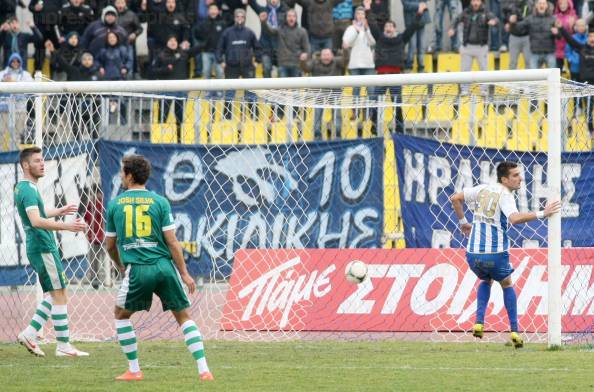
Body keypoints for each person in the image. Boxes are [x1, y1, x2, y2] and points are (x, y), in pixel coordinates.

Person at [105, 154, 213, 382]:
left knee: (121, 315)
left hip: (139, 269)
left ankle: (134, 370)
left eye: (123, 172)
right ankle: (204, 370)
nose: (121, 176)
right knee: (183, 316)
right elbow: (172, 242)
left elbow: (110, 245)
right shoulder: (160, 202)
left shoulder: (115, 204)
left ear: (130, 176)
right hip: (164, 267)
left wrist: (121, 266)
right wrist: (184, 273)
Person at [450, 161, 561, 348]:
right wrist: (543, 213)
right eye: (515, 175)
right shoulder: (506, 195)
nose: (520, 178)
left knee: (486, 280)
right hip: (495, 252)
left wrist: (463, 222)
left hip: (472, 253)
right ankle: (515, 331)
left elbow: (455, 198)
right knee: (507, 283)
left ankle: (479, 322)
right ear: (504, 179)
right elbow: (515, 218)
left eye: (520, 174)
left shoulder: (482, 189)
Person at [15, 146, 89, 357]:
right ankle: (63, 346)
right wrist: (68, 226)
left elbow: (38, 212)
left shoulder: (25, 187)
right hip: (42, 246)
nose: (42, 163)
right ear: (26, 165)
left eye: (42, 160)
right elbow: (36, 221)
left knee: (55, 293)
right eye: (37, 160)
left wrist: (60, 211)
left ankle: (29, 333)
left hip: (41, 246)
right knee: (60, 293)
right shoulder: (28, 189)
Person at [216, 8, 261, 119]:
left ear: (244, 18)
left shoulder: (249, 32)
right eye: (237, 16)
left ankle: (253, 115)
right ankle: (227, 115)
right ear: (234, 18)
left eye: (242, 17)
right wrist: (220, 61)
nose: (240, 18)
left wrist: (257, 61)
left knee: (251, 91)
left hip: (247, 66)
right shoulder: (227, 32)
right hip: (231, 66)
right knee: (230, 92)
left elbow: (258, 48)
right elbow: (219, 48)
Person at [509, 0, 558, 69]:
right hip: (535, 53)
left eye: (544, 3)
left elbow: (559, 37)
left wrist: (557, 32)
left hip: (549, 53)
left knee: (553, 77)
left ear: (547, 6)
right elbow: (518, 28)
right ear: (536, 6)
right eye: (540, 3)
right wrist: (512, 23)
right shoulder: (530, 18)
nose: (542, 5)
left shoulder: (553, 19)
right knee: (533, 78)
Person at [502, 0, 532, 69]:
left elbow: (531, 18)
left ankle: (529, 80)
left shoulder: (530, 3)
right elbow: (503, 16)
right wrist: (508, 20)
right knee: (512, 63)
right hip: (514, 36)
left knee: (528, 62)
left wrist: (517, 23)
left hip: (527, 36)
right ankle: (511, 80)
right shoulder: (509, 3)